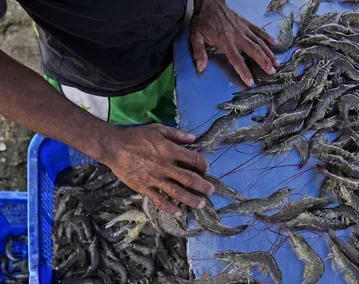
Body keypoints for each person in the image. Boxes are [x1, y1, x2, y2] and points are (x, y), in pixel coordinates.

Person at [0, 0, 279, 216]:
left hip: (184, 38)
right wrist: (108, 144)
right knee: (146, 172)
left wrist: (210, 5)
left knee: (198, 141)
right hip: (105, 86)